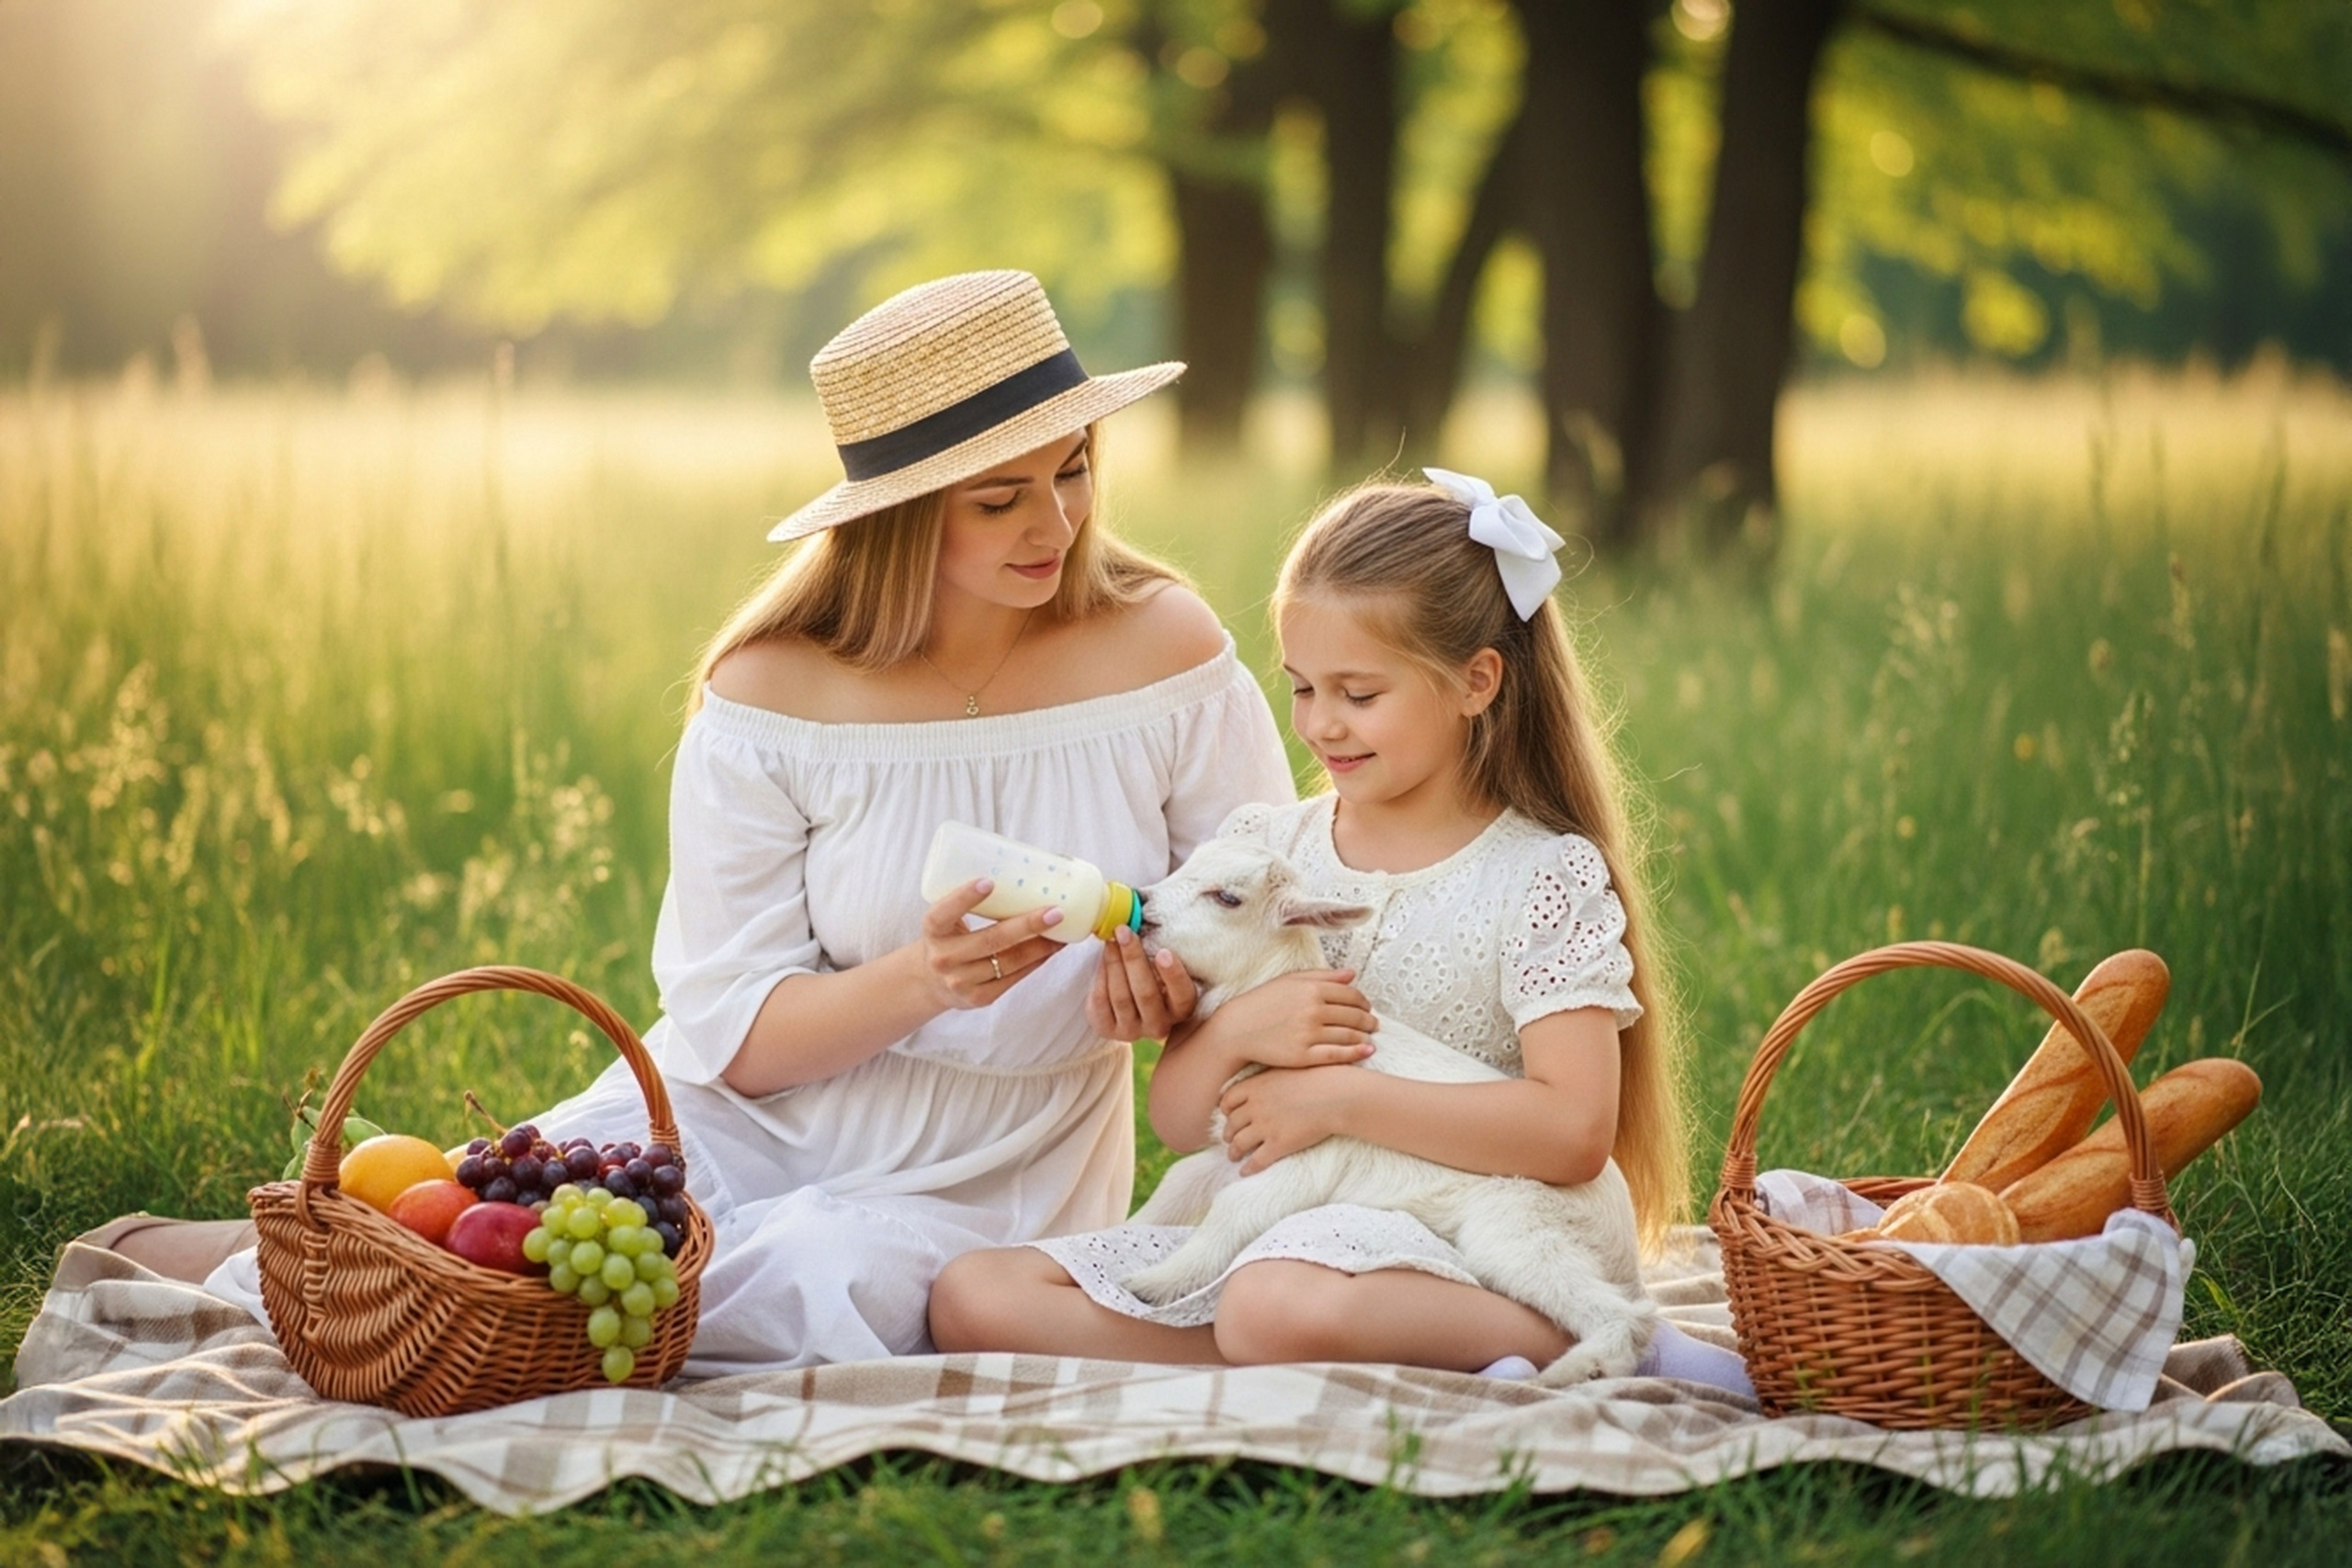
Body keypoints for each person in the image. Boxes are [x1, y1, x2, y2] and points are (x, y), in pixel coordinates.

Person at [138, 270, 1295, 1374]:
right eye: (999, 500)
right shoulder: (771, 693)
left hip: (1000, 1161)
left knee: (792, 1284)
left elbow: (1271, 925)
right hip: (748, 1109)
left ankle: (297, 1263)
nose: (1055, 522)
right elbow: (733, 1029)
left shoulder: (1166, 654)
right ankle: (234, 1253)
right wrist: (925, 979)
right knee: (505, 1243)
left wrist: (1172, 1003)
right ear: (895, 516)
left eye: (1074, 470)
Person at [932, 469, 1751, 1392]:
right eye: (1301, 688)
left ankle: (1592, 1333)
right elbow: (1182, 1123)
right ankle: (1329, 1349)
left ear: (1476, 681)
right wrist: (1230, 1033)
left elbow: (1572, 1132)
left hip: (1466, 1231)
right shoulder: (1267, 853)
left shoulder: (1539, 875)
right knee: (973, 1296)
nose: (1321, 724)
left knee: (1275, 1300)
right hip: (1292, 1230)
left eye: (1358, 694)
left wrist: (1336, 1102)